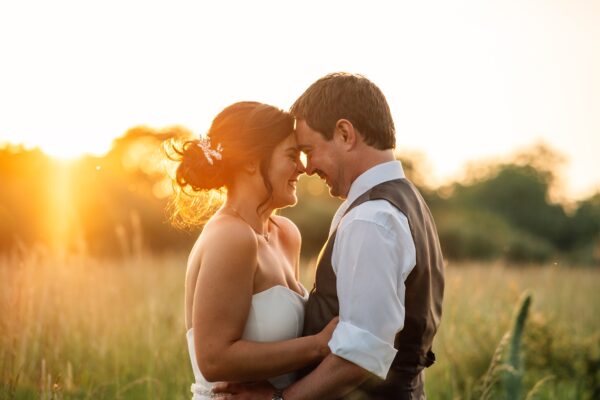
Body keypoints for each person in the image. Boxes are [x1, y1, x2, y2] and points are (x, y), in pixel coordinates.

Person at [214, 73, 445, 399]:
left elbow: (359, 356)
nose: (307, 168)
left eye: (309, 149)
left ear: (345, 133)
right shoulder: (405, 201)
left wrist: (281, 399)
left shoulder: (371, 218)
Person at [169, 101, 338, 400]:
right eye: (290, 155)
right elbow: (214, 359)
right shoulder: (231, 237)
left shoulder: (286, 234)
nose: (302, 167)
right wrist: (318, 345)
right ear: (250, 161)